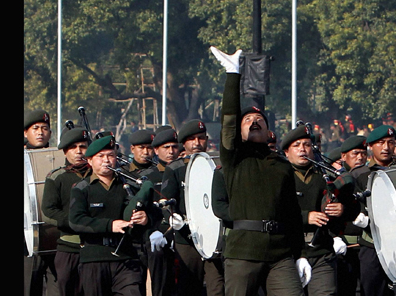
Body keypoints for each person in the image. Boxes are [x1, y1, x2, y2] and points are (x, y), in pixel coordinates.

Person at [210, 46, 311, 296]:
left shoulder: (281, 165)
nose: (254, 122)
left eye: (260, 121)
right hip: (243, 252)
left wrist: (300, 255)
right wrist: (233, 74)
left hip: (280, 254)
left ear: (268, 132)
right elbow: (229, 121)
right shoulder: (235, 158)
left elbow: (292, 214)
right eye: (248, 121)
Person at [281, 124, 360, 296]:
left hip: (321, 251)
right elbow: (272, 210)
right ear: (286, 152)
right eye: (296, 145)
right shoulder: (280, 177)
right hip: (288, 252)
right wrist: (305, 217)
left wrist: (342, 209)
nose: (303, 149)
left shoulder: (325, 176)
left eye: (307, 145)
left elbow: (354, 206)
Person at [68, 135, 151, 296]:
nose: (106, 160)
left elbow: (153, 214)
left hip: (127, 258)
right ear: (90, 161)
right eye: (100, 156)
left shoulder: (130, 186)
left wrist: (145, 219)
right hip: (94, 259)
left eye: (111, 155)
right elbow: (76, 221)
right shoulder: (81, 189)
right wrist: (110, 225)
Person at [160, 120, 225, 296]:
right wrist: (172, 217)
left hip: (215, 238)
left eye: (201, 138)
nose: (197, 143)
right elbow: (166, 201)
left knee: (216, 287)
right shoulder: (175, 168)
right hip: (187, 239)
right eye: (191, 139)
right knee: (188, 287)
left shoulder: (217, 165)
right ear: (184, 143)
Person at [350, 125, 396, 296]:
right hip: (372, 243)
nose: (386, 148)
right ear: (370, 146)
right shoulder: (359, 174)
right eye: (380, 143)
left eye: (391, 143)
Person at [123, 129, 175, 296]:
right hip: (131, 238)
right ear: (132, 149)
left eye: (149, 148)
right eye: (141, 148)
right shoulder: (123, 173)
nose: (146, 152)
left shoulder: (159, 172)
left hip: (153, 235)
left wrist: (150, 218)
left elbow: (162, 205)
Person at [42, 127, 92, 296]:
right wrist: (74, 221)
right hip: (68, 247)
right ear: (65, 151)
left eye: (83, 146)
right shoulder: (57, 177)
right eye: (73, 147)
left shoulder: (98, 176)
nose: (79, 151)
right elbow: (48, 211)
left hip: (96, 247)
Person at [24, 109, 59, 296]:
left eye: (44, 128)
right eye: (35, 128)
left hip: (55, 237)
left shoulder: (58, 157)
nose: (40, 132)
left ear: (50, 133)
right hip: (27, 240)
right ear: (25, 133)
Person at [326, 136, 368, 296]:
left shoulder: (370, 177)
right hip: (345, 246)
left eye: (363, 153)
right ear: (343, 157)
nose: (360, 157)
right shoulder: (334, 181)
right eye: (355, 153)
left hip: (367, 245)